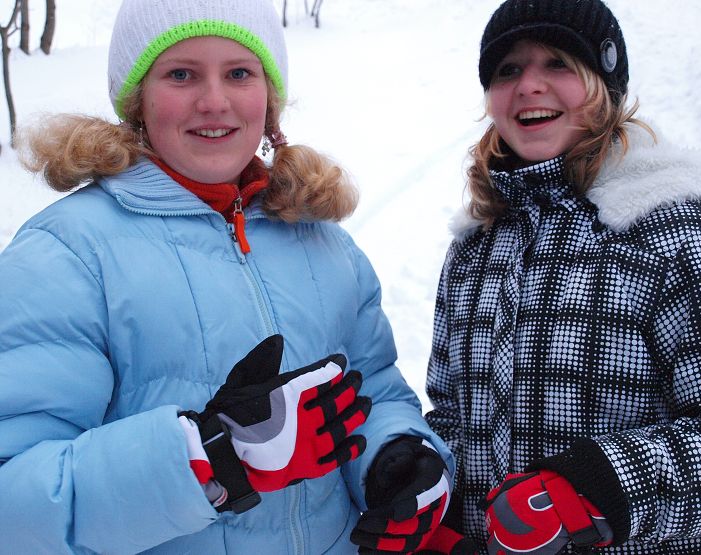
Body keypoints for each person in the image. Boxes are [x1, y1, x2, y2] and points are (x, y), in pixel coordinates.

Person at [0, 1, 457, 553]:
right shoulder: (66, 255)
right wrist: (210, 457)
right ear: (138, 100)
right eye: (181, 74)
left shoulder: (325, 245)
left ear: (269, 101)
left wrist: (395, 458)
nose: (214, 101)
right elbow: (14, 499)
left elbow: (373, 393)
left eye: (239, 73)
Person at [424, 0, 701, 553]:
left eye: (558, 63)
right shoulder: (475, 248)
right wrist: (429, 493)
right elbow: (452, 412)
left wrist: (600, 487)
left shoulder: (680, 233)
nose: (529, 85)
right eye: (508, 70)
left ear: (604, 85)